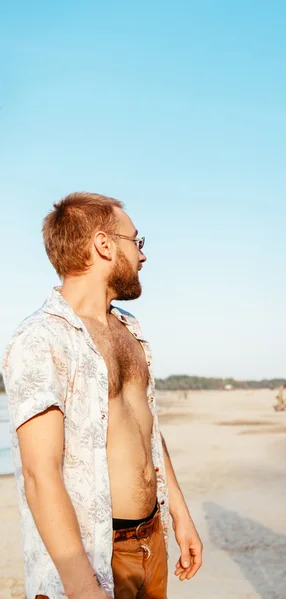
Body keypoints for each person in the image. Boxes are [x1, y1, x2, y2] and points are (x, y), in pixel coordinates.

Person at [3, 193, 203, 599]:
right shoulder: (42, 339)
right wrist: (81, 586)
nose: (143, 256)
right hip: (93, 558)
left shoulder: (130, 330)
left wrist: (179, 514)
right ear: (104, 244)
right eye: (137, 241)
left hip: (151, 539)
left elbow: (147, 427)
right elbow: (40, 474)